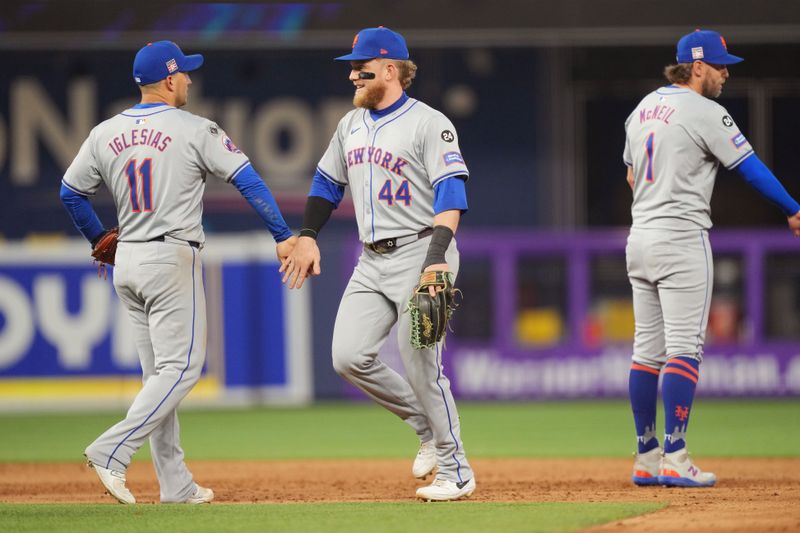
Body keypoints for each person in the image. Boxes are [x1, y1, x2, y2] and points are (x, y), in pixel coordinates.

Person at [60, 40, 296, 504]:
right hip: (171, 257)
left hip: (126, 260)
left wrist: (98, 241)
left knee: (159, 378)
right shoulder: (194, 128)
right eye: (184, 73)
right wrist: (282, 234)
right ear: (169, 80)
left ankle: (175, 484)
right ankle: (112, 450)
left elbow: (71, 194)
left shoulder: (105, 132)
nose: (189, 79)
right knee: (183, 368)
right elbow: (247, 178)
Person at [279, 26, 475, 501]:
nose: (352, 76)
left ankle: (457, 470)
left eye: (360, 68)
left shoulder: (430, 123)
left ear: (391, 70)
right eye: (351, 68)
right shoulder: (350, 125)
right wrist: (307, 236)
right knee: (347, 356)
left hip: (423, 250)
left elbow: (452, 195)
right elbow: (326, 186)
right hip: (371, 259)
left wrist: (435, 263)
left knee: (419, 362)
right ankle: (425, 427)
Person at [624, 29, 800, 487]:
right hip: (681, 238)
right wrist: (793, 209)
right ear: (696, 66)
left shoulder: (642, 108)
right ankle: (675, 456)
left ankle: (646, 456)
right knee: (684, 350)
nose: (726, 73)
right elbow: (750, 168)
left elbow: (630, 176)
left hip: (640, 236)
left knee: (647, 352)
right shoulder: (705, 111)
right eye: (721, 65)